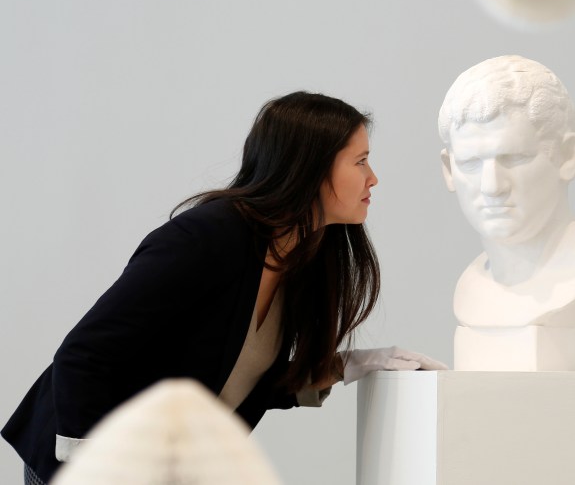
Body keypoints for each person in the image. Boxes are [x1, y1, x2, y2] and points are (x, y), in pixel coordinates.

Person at [3, 91, 446, 484]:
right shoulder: (206, 237)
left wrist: (347, 366)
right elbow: (84, 355)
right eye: (361, 161)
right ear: (310, 167)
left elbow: (242, 378)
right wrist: (93, 470)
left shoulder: (302, 257)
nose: (373, 178)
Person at [437, 55, 575, 370]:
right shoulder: (472, 290)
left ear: (568, 157)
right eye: (470, 163)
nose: (492, 186)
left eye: (514, 158)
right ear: (449, 170)